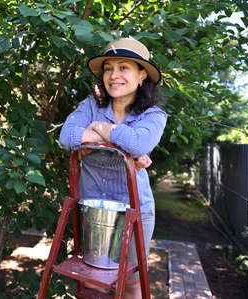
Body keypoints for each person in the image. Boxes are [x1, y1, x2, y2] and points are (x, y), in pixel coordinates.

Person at [58, 37, 167, 299]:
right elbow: (65, 137)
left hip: (135, 212)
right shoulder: (91, 105)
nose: (113, 75)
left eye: (123, 68)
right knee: (94, 281)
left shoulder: (153, 115)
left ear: (142, 75)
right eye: (108, 68)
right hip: (94, 213)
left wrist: (99, 129)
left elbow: (140, 143)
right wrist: (123, 144)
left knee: (130, 282)